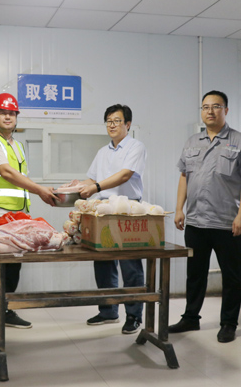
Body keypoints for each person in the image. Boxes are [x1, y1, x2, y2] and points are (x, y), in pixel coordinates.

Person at [169, 90, 241, 343]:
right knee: (195, 274)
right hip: (196, 221)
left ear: (226, 110)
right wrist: (179, 209)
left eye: (216, 106)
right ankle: (191, 318)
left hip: (227, 223)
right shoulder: (192, 142)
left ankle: (229, 323)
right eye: (205, 107)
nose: (210, 111)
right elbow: (184, 177)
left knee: (231, 276)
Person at [0, 92, 58, 338]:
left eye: (11, 113)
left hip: (19, 215)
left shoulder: (18, 146)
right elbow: (7, 173)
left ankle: (6, 309)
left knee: (13, 267)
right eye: (3, 113)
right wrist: (40, 190)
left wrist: (38, 195)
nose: (8, 117)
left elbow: (20, 179)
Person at [77, 104, 147, 335]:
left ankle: (134, 315)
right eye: (109, 121)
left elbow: (125, 175)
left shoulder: (136, 147)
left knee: (130, 265)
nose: (112, 125)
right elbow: (91, 180)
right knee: (103, 262)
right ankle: (108, 311)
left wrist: (96, 187)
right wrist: (74, 187)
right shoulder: (102, 152)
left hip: (127, 210)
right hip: (103, 209)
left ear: (128, 124)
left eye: (117, 121)